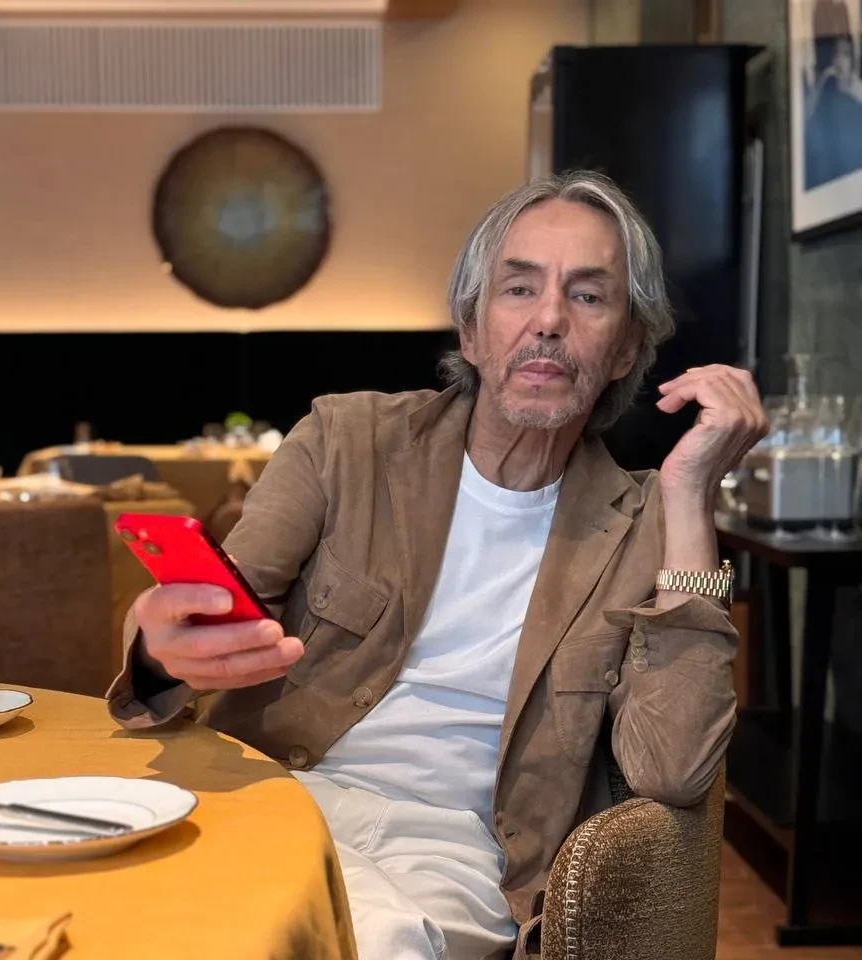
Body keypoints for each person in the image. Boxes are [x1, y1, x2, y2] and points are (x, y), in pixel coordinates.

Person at [108, 171, 767, 960]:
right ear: (472, 329)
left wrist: (690, 495)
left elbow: (675, 769)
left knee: (362, 938)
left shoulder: (647, 522)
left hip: (456, 850)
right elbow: (208, 618)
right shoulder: (344, 443)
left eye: (589, 296)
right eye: (518, 289)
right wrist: (161, 647)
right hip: (282, 795)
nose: (549, 320)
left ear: (626, 346)